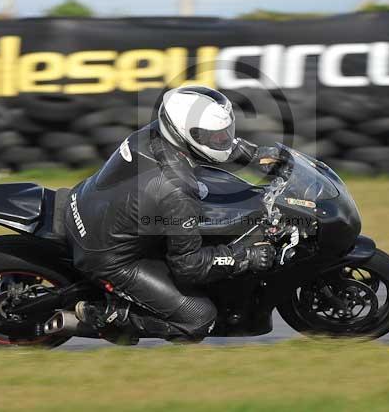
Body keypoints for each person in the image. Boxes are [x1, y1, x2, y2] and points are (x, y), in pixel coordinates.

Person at [65, 86, 281, 342]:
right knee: (198, 318)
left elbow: (210, 146)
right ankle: (105, 315)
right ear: (184, 133)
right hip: (108, 257)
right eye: (215, 136)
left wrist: (255, 155)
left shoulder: (157, 133)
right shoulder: (176, 188)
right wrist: (245, 255)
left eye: (225, 133)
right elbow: (188, 265)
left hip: (88, 205)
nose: (222, 140)